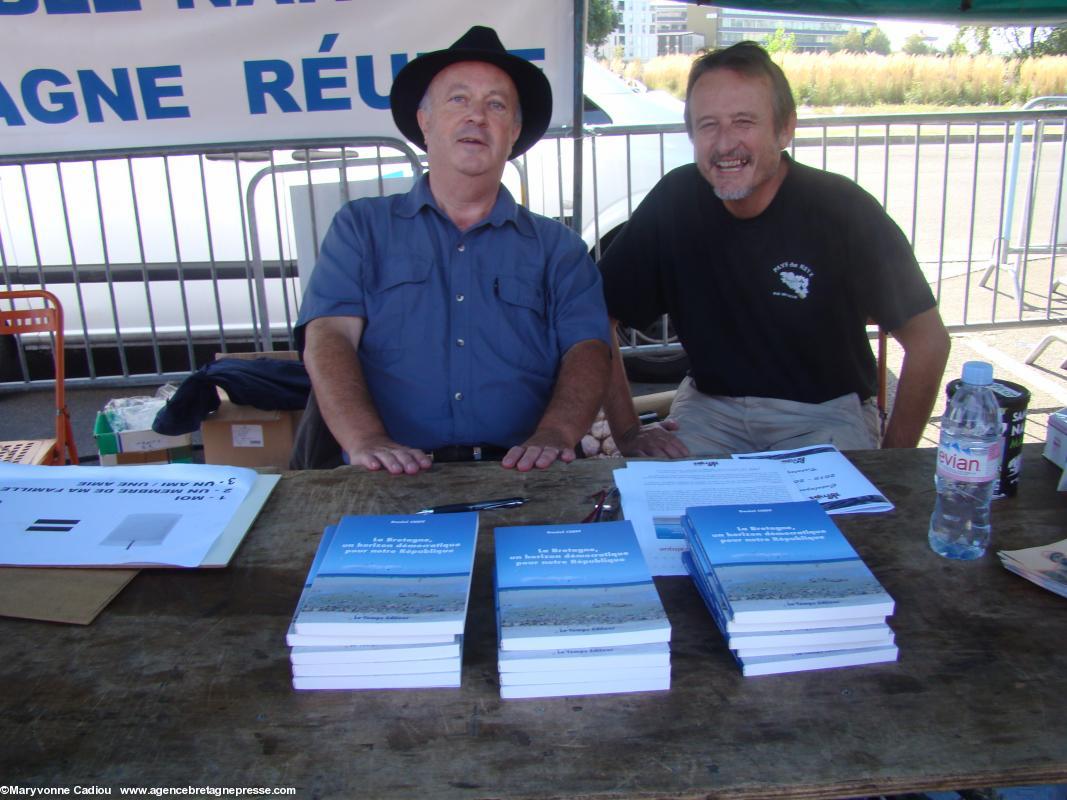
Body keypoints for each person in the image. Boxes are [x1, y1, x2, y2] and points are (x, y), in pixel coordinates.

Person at [599, 41, 950, 458]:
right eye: (708, 125)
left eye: (743, 122)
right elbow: (595, 314)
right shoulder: (675, 199)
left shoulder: (841, 208)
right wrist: (628, 432)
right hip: (710, 410)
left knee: (838, 504)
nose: (725, 143)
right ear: (691, 134)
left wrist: (894, 464)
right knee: (655, 496)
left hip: (823, 415)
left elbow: (929, 342)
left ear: (785, 130)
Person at [294, 26, 611, 475]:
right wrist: (366, 439)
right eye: (458, 99)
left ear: (514, 131)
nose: (476, 116)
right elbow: (329, 337)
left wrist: (556, 434)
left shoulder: (558, 248)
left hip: (525, 471)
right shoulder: (360, 228)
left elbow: (588, 348)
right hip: (389, 473)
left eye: (496, 105)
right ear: (424, 121)